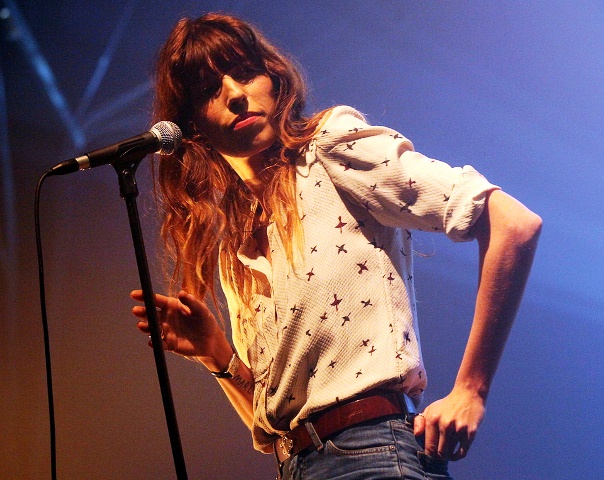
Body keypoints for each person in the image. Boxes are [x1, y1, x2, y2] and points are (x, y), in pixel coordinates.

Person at [130, 12, 542, 480]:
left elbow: (513, 222)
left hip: (374, 453)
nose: (235, 94)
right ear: (192, 127)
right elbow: (277, 431)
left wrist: (471, 389)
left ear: (274, 78)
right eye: (209, 89)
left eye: (245, 72)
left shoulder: (328, 149)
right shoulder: (235, 249)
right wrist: (216, 354)